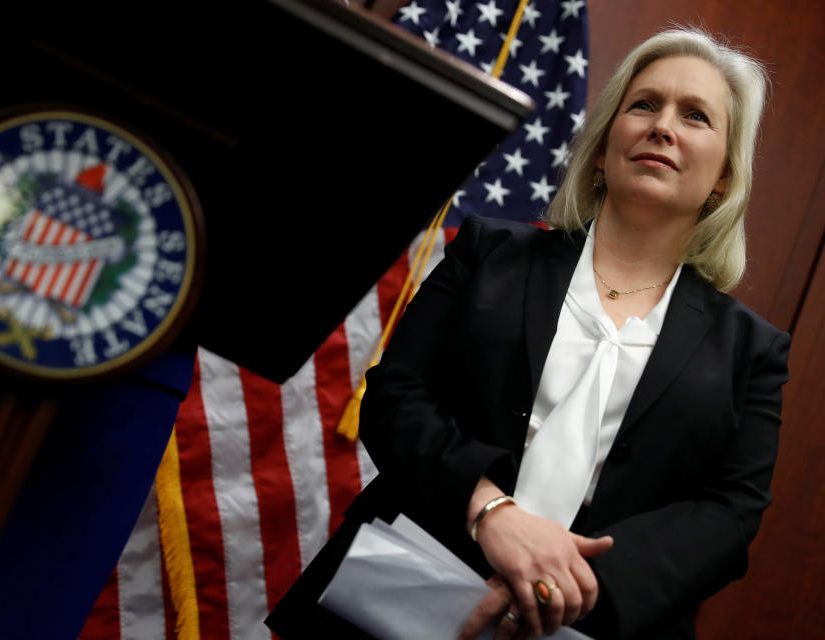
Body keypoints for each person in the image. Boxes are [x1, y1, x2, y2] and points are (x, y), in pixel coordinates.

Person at [265, 26, 789, 640]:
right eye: (644, 104)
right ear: (601, 147)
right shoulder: (488, 252)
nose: (663, 126)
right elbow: (396, 397)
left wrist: (565, 583)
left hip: (593, 623)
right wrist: (493, 514)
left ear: (725, 175)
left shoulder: (754, 352)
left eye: (695, 115)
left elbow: (730, 514)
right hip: (402, 588)